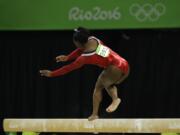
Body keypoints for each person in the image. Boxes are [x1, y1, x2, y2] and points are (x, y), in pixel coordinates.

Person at [40, 27, 130, 121]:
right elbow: (81, 49)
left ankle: (115, 99)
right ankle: (94, 114)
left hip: (116, 67)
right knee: (98, 87)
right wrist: (68, 57)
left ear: (77, 42)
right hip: (122, 63)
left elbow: (67, 68)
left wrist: (52, 74)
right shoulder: (93, 39)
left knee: (105, 80)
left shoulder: (84, 58)